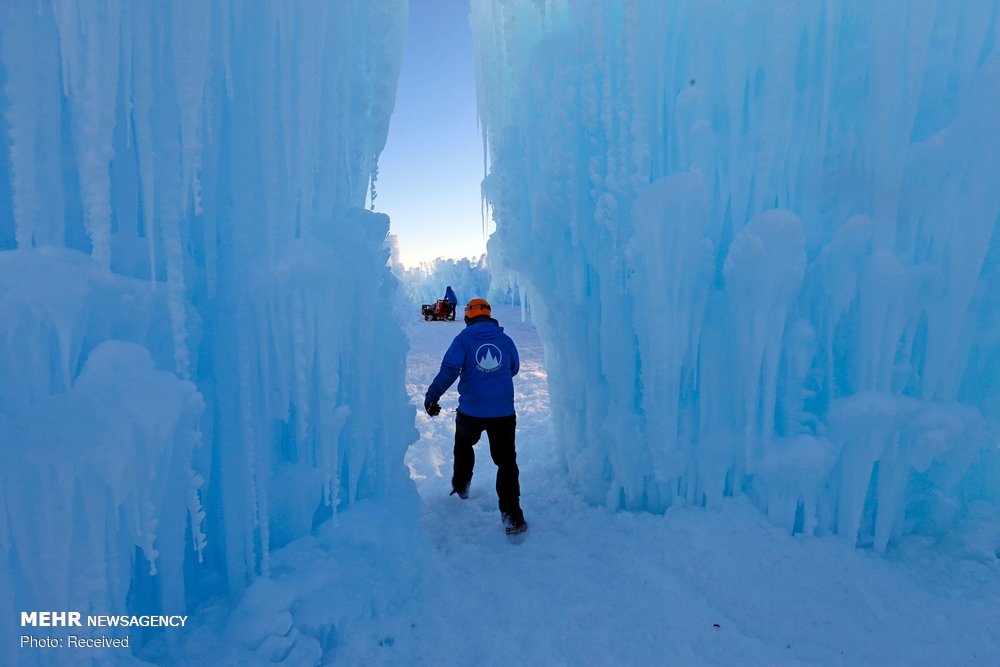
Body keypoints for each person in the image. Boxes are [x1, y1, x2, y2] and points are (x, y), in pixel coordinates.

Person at [424, 298, 527, 534]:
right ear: (489, 316)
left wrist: (433, 395)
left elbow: (450, 369)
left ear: (469, 316)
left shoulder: (463, 339)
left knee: (463, 445)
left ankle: (461, 485)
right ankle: (512, 517)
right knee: (506, 462)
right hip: (503, 412)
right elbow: (514, 368)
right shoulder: (505, 340)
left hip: (471, 411)